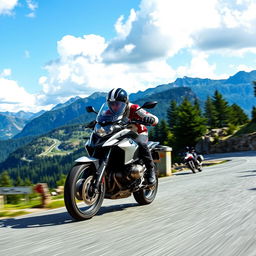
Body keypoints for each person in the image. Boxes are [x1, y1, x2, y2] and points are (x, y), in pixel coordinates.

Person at [107, 88, 159, 186]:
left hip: (138, 133)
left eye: (117, 104)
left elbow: (155, 119)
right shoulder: (110, 112)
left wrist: (150, 119)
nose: (114, 107)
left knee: (141, 143)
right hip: (121, 135)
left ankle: (150, 169)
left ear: (125, 102)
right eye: (112, 104)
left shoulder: (134, 108)